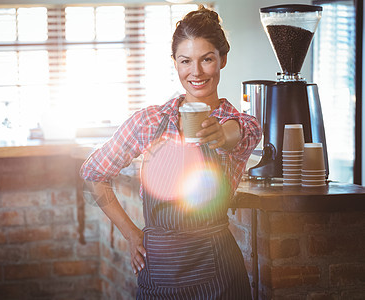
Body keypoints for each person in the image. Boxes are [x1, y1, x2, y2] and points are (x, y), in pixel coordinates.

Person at [80, 5, 261, 299]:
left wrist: (219, 133)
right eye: (185, 61)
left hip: (221, 276)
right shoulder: (149, 122)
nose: (196, 72)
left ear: (222, 60)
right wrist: (130, 233)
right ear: (175, 63)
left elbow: (237, 134)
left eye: (207, 59)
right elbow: (92, 173)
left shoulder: (238, 123)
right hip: (159, 275)